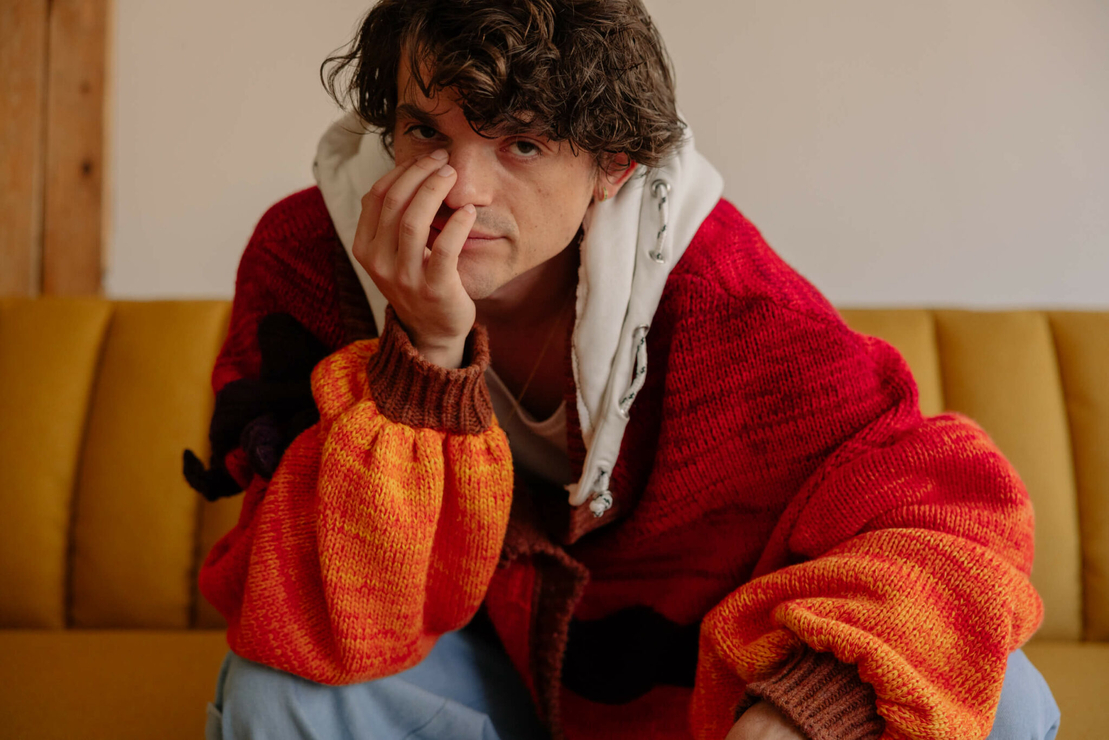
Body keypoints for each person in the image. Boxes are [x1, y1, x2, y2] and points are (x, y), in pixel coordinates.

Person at [185, 1, 1061, 738]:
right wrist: (422, 355)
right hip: (462, 673)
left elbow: (948, 520)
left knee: (998, 698)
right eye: (425, 132)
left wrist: (808, 705)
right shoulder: (312, 255)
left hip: (695, 698)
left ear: (614, 164)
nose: (458, 188)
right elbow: (305, 609)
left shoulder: (729, 298)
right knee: (277, 685)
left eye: (521, 144)